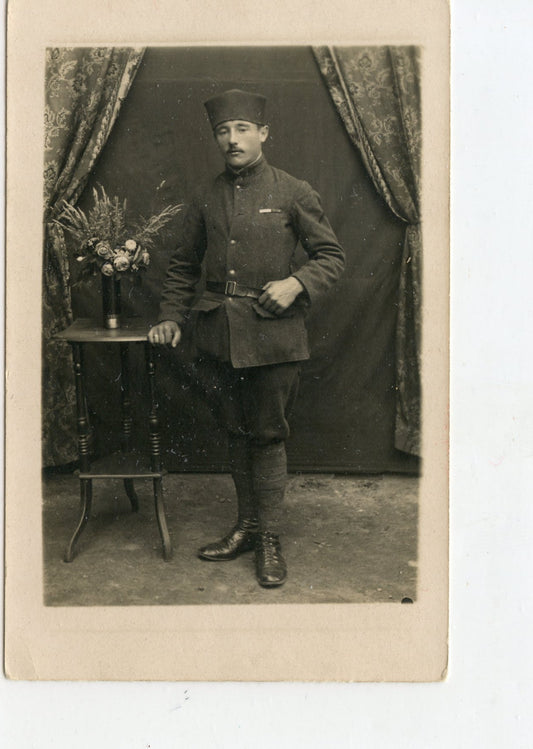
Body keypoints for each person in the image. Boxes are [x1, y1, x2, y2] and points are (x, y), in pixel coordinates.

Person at [148, 89, 344, 587]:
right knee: (235, 431)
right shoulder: (207, 195)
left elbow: (331, 257)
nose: (231, 139)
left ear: (263, 134)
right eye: (222, 130)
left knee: (267, 434)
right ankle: (248, 527)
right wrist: (171, 316)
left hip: (275, 337)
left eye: (241, 128)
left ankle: (271, 539)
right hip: (219, 335)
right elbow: (183, 265)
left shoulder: (293, 191)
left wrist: (297, 282)